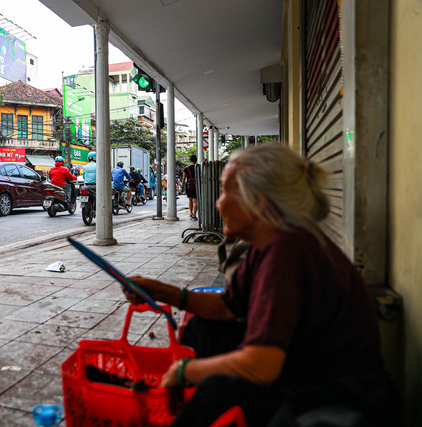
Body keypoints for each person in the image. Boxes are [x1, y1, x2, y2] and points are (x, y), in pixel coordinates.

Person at [125, 144, 394, 426]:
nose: (219, 202)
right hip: (300, 369)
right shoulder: (268, 245)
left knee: (216, 388)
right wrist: (160, 291)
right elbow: (228, 307)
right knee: (205, 328)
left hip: (335, 397)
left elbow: (262, 366)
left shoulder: (288, 250)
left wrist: (184, 371)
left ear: (260, 201)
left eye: (227, 191)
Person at [181, 154, 198, 220]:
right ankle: (194, 214)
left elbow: (183, 178)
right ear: (196, 161)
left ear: (190, 161)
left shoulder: (186, 169)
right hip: (196, 185)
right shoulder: (198, 167)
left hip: (189, 186)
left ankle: (190, 213)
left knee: (190, 200)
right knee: (195, 201)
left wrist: (182, 186)